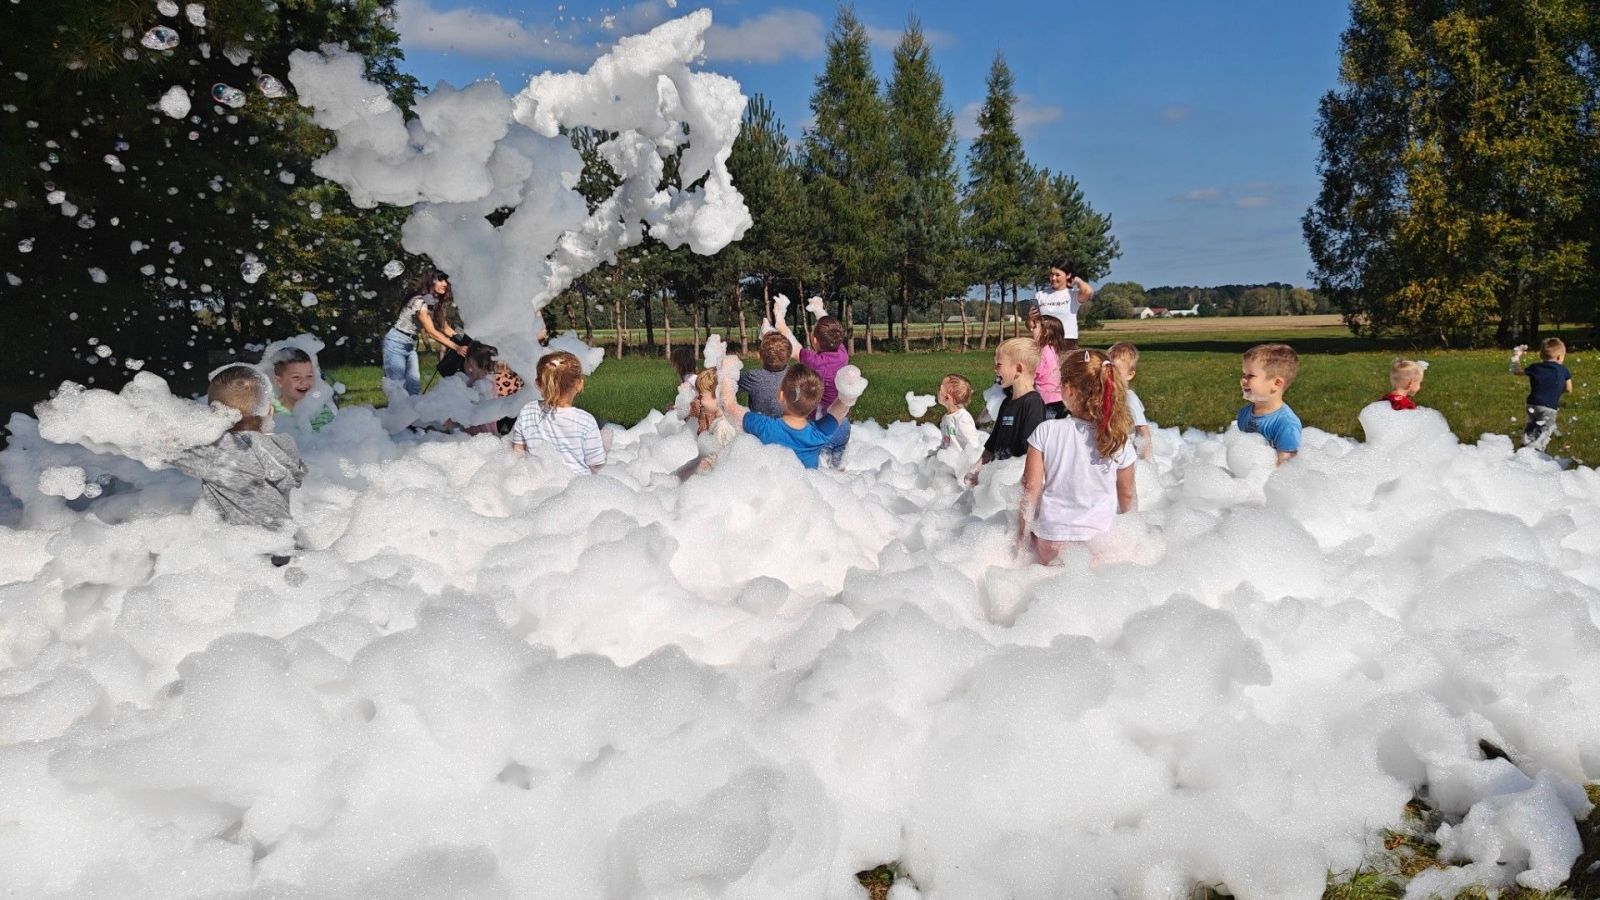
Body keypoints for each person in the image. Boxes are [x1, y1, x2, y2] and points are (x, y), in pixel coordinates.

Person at [1018, 348, 1137, 565]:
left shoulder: (1046, 431)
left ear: (1070, 389)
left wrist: (1022, 538)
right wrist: (1135, 532)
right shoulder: (1118, 439)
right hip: (1099, 543)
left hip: (1052, 541)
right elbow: (1127, 494)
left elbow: (1030, 487)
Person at [170, 364, 306, 535]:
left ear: (215, 415)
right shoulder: (285, 446)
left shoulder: (217, 452)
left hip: (243, 545)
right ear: (270, 411)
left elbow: (162, 448)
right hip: (287, 540)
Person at [717, 359, 865, 470]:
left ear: (781, 396)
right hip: (806, 492)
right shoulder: (819, 433)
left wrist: (727, 373)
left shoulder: (765, 427)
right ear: (815, 405)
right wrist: (848, 394)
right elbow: (839, 410)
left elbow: (729, 406)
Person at [774, 304, 851, 466]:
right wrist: (819, 310)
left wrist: (779, 319)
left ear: (814, 340)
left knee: (820, 470)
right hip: (843, 424)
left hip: (823, 425)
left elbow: (794, 347)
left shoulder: (815, 361)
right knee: (837, 467)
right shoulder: (842, 354)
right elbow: (832, 332)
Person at [966, 337, 1048, 486]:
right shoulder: (1006, 403)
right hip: (998, 478)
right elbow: (992, 444)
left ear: (1019, 368)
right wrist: (976, 469)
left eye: (999, 365)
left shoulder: (1033, 403)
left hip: (1014, 481)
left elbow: (1031, 452)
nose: (995, 369)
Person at [510, 351, 605, 475]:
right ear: (579, 385)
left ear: (538, 384)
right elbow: (596, 464)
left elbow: (517, 452)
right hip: (577, 483)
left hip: (537, 480)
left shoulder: (527, 411)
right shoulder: (585, 420)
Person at [383, 269, 466, 396]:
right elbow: (431, 332)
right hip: (395, 343)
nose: (445, 284)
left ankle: (412, 409)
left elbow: (445, 328)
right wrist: (457, 347)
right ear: (431, 281)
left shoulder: (436, 303)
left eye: (446, 281)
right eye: (440, 280)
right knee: (397, 389)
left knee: (414, 389)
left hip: (410, 345)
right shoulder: (419, 301)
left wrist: (463, 340)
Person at [1237, 343, 1302, 465]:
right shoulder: (1243, 413)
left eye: (1250, 376)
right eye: (1243, 374)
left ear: (1276, 384)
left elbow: (1287, 466)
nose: (1243, 380)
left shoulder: (1286, 424)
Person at [1511, 338, 1573, 450]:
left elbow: (1516, 371)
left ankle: (1524, 447)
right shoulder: (1563, 370)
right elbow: (1568, 389)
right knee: (1545, 430)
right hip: (1549, 407)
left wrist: (1516, 356)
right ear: (1559, 357)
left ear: (1541, 355)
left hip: (1532, 404)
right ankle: (1536, 451)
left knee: (1532, 426)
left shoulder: (1535, 367)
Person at [678, 368, 738, 477]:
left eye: (702, 396)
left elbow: (721, 458)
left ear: (718, 397)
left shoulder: (722, 427)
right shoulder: (721, 421)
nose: (699, 400)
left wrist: (705, 464)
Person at [268, 347, 335, 432]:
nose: (304, 382)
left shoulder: (321, 412)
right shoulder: (269, 411)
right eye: (296, 377)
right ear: (279, 381)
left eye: (309, 376)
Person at [1032, 261, 1095, 350]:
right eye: (1051, 274)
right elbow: (1032, 323)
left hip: (1067, 340)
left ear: (1068, 275)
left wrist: (1077, 280)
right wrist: (1030, 319)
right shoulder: (1040, 295)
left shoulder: (1073, 294)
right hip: (1045, 339)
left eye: (1057, 275)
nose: (1053, 278)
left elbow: (1088, 291)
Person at [1107, 342, 1153, 460]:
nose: (1110, 376)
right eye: (1108, 371)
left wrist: (1146, 461)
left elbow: (1143, 431)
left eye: (1117, 373)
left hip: (1127, 453)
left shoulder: (1129, 399)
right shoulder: (1105, 395)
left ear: (1130, 375)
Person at [738, 331, 793, 417]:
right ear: (789, 356)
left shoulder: (753, 377)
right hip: (786, 423)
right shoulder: (794, 376)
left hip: (758, 424)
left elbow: (730, 383)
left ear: (759, 355)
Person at [1029, 311, 1070, 418]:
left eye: (1035, 327)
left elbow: (1032, 373)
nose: (1031, 329)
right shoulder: (1054, 350)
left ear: (1045, 332)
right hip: (1059, 399)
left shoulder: (1042, 353)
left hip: (1047, 402)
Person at [937, 374, 981, 451]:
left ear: (948, 398)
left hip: (959, 457)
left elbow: (973, 445)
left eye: (941, 388)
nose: (938, 391)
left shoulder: (962, 418)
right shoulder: (947, 416)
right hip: (947, 455)